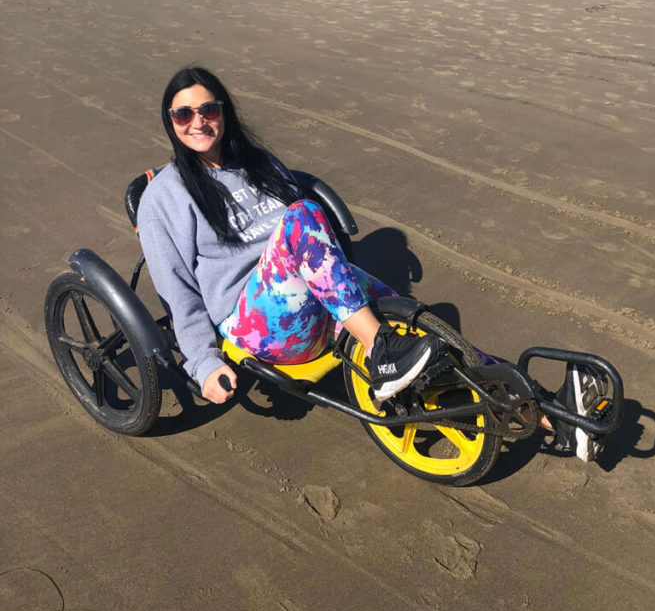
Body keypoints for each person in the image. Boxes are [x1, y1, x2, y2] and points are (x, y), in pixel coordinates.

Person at [137, 67, 446, 405]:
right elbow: (176, 289)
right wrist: (203, 362)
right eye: (183, 114)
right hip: (258, 321)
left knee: (408, 314)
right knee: (303, 213)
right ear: (171, 121)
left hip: (310, 295)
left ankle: (492, 381)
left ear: (224, 112)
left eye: (208, 110)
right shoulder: (164, 196)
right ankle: (380, 352)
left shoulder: (259, 162)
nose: (198, 122)